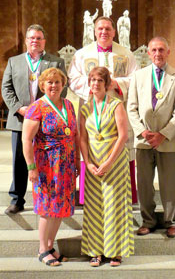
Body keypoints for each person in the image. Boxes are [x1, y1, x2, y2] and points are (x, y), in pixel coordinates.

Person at [68, 16, 138, 204]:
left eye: (108, 29)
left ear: (114, 32)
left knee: (120, 142)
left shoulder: (126, 53)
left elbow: (136, 78)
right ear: (94, 31)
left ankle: (121, 196)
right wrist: (95, 85)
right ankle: (90, 197)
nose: (104, 32)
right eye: (100, 29)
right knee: (88, 143)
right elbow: (73, 79)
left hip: (117, 108)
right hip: (92, 110)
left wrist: (114, 83)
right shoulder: (82, 54)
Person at [1, 24, 66, 214]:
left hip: (47, 120)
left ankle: (50, 198)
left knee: (47, 159)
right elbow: (6, 88)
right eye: (31, 38)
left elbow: (64, 88)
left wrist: (46, 111)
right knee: (20, 160)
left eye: (38, 38)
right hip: (21, 119)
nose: (35, 41)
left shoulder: (56, 62)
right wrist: (20, 108)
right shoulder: (14, 61)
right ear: (26, 41)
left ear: (44, 41)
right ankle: (17, 198)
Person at [127, 37, 175, 238]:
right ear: (148, 53)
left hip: (166, 140)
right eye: (154, 50)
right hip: (143, 139)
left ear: (168, 52)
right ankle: (148, 220)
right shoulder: (138, 76)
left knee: (169, 183)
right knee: (144, 183)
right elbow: (131, 108)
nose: (157, 53)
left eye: (161, 49)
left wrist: (162, 135)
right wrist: (142, 131)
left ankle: (172, 222)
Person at [22, 68, 80, 266]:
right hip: (46, 166)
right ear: (43, 85)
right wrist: (31, 167)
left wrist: (77, 160)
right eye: (49, 82)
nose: (54, 85)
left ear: (63, 85)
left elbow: (75, 135)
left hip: (66, 165)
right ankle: (42, 249)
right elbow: (26, 139)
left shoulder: (69, 105)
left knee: (60, 208)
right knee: (47, 208)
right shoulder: (36, 107)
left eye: (57, 82)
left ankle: (50, 245)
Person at [80, 67, 134, 267]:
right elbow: (82, 139)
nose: (96, 84)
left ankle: (115, 251)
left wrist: (109, 162)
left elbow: (123, 136)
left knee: (114, 206)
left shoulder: (116, 105)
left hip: (115, 162)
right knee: (94, 207)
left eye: (100, 80)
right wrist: (88, 163)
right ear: (89, 83)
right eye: (92, 80)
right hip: (93, 163)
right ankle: (95, 251)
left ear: (107, 84)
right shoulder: (85, 109)